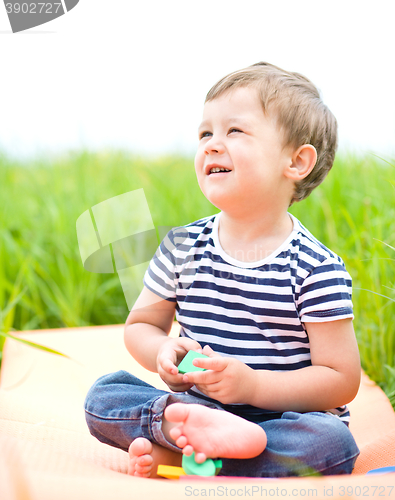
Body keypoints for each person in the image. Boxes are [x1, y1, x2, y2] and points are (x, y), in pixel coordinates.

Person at [84, 62, 361, 478]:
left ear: (297, 161)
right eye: (204, 133)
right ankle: (193, 436)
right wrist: (163, 352)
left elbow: (340, 379)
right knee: (103, 395)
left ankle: (184, 454)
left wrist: (253, 387)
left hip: (283, 421)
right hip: (201, 407)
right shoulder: (182, 246)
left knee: (332, 443)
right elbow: (141, 324)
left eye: (235, 131)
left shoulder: (315, 267)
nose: (212, 144)